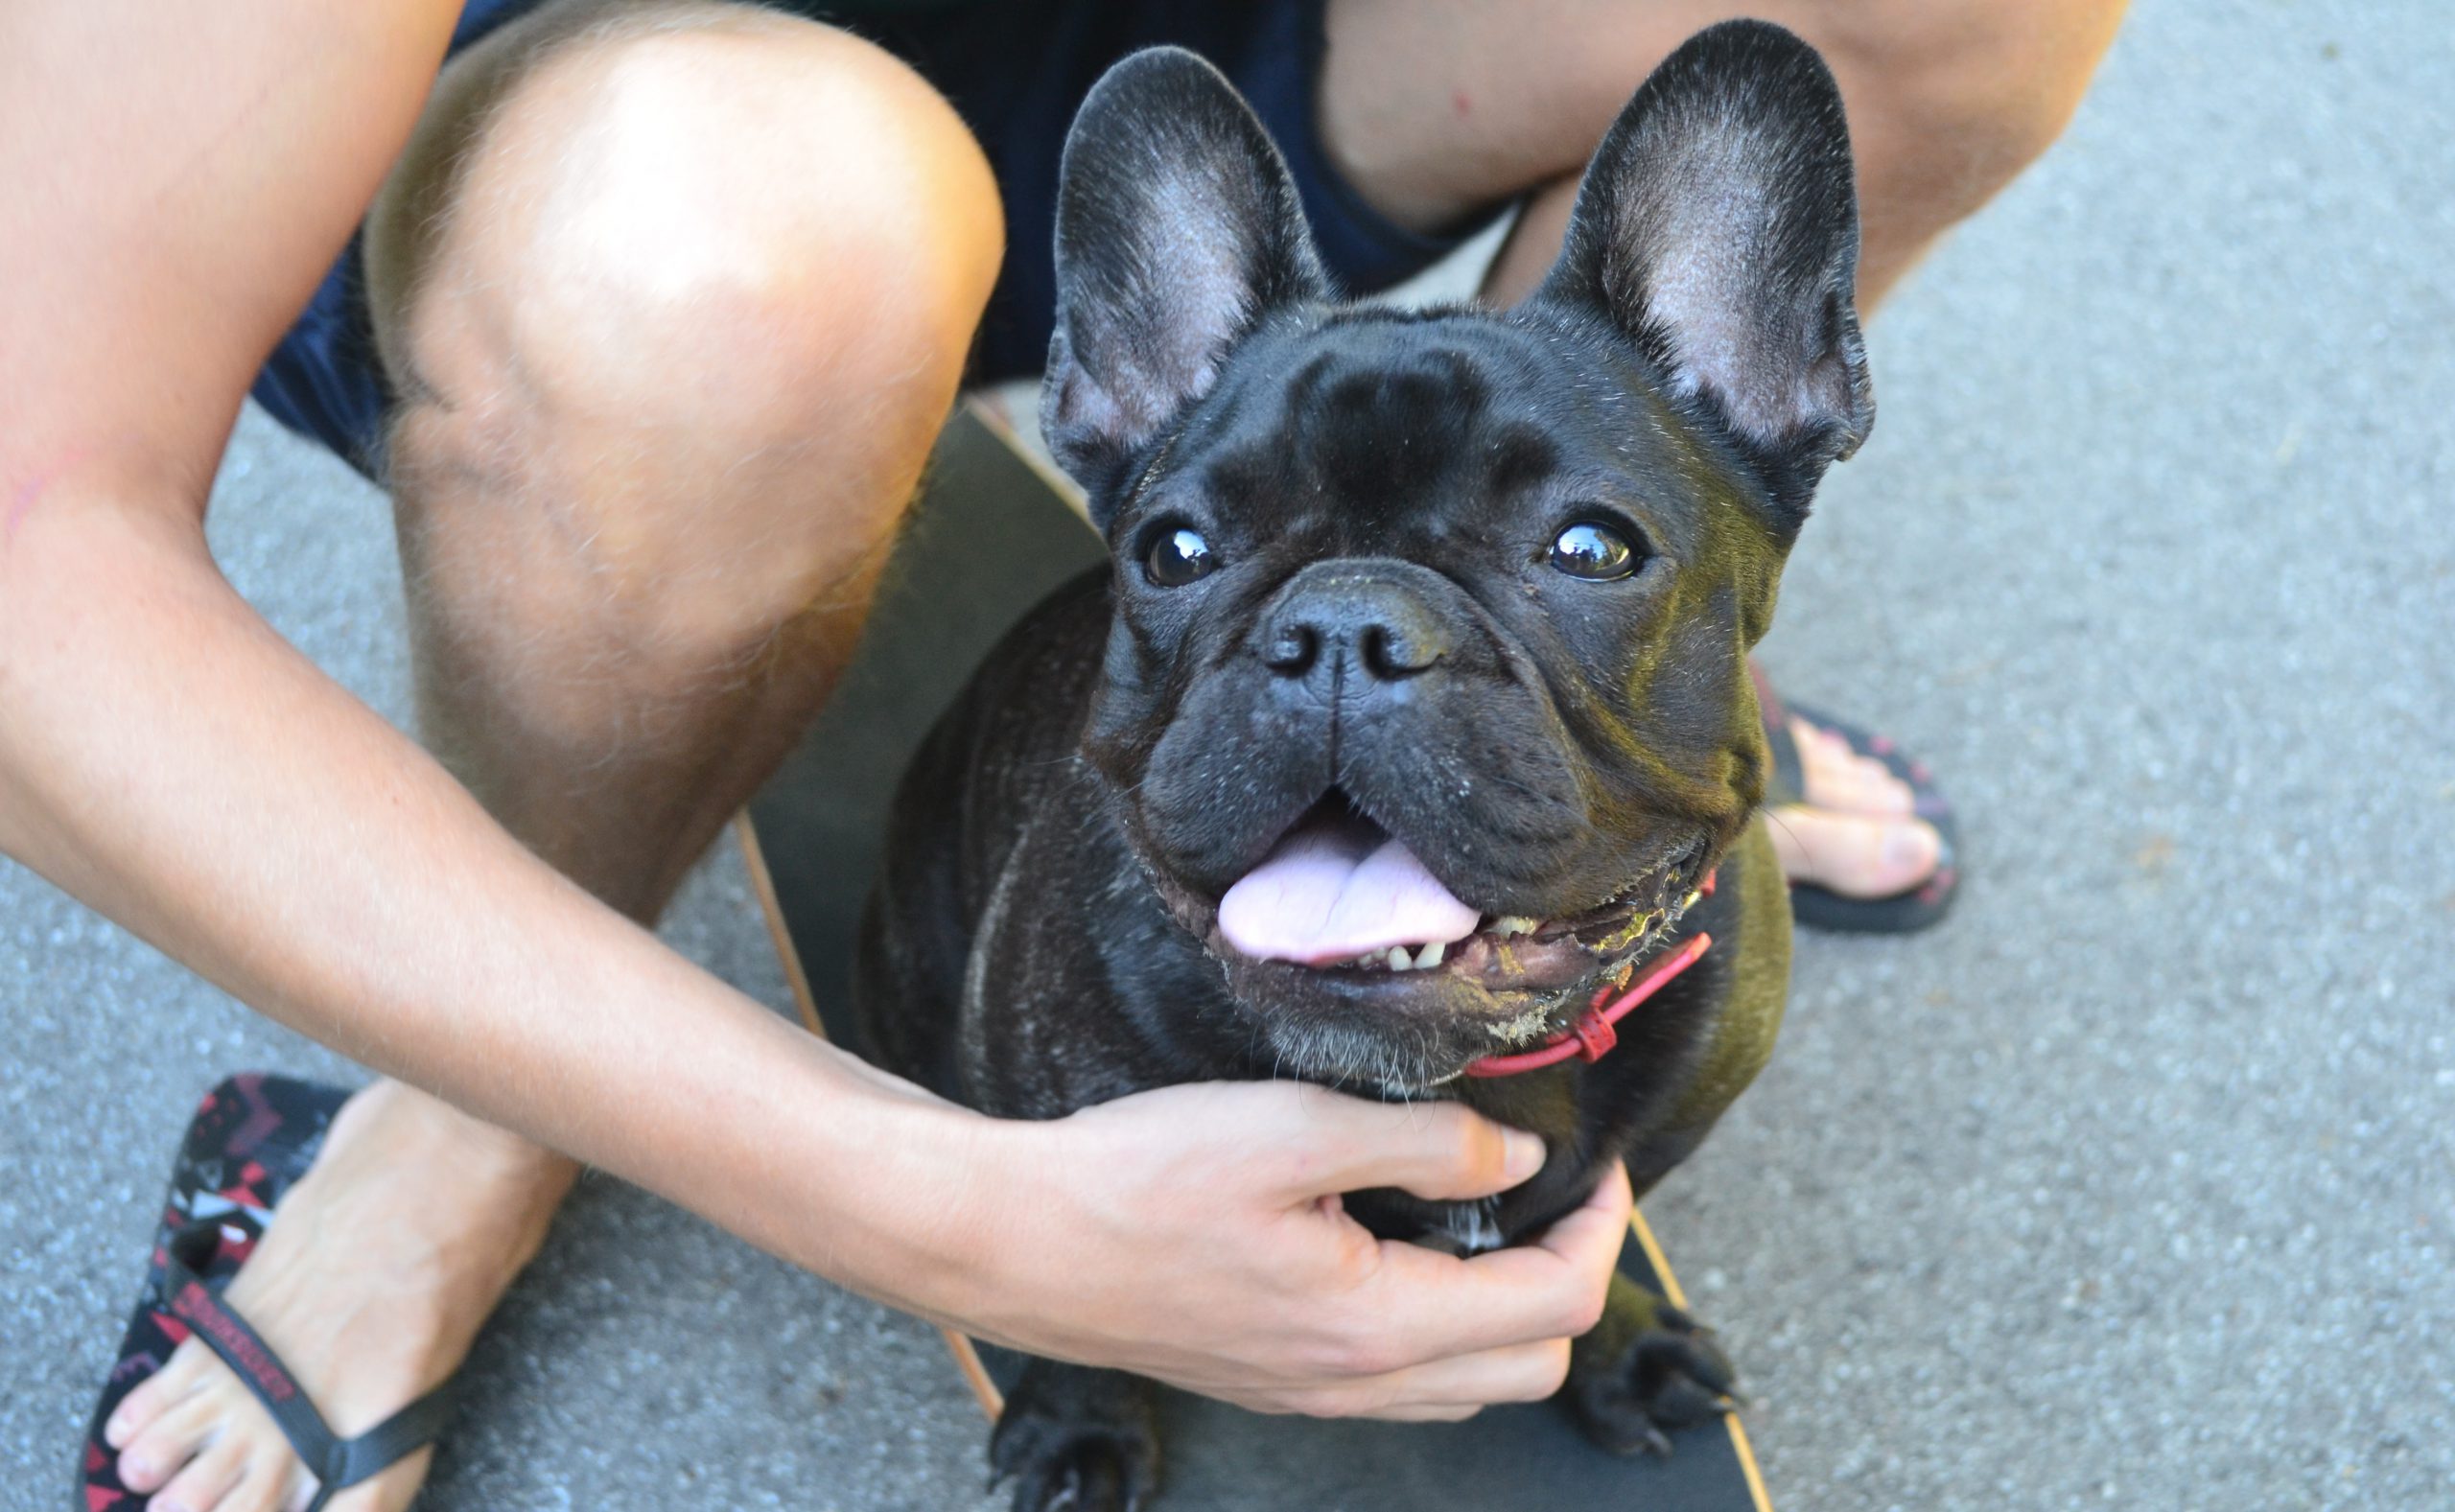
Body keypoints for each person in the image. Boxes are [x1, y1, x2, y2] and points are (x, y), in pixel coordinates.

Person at [0, 2, 2122, 1508]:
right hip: (554, 141)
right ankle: (470, 1108)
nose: (1344, 652)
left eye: (1586, 546)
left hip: (1167, 51)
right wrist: (940, 1218)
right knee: (727, 251)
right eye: (1194, 545)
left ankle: (1623, 694)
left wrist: (1597, 625)